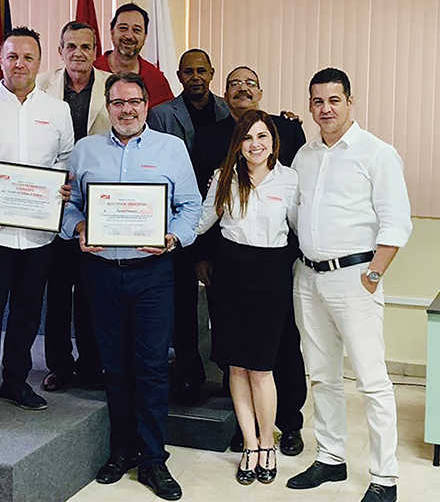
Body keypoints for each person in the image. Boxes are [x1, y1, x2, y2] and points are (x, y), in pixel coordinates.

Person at [62, 72, 201, 501]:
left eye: (135, 102)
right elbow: (68, 204)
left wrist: (173, 236)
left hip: (152, 273)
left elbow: (190, 205)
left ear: (145, 105)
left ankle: (154, 457)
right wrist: (79, 226)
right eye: (118, 102)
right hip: (101, 273)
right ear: (108, 106)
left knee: (152, 365)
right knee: (114, 366)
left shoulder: (171, 149)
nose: (127, 109)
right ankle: (122, 449)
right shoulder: (85, 151)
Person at [286, 68, 412, 502]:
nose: (326, 109)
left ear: (350, 101)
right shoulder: (303, 155)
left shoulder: (377, 153)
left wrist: (373, 275)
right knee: (322, 377)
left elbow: (398, 223)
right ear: (310, 105)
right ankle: (331, 458)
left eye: (334, 100)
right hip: (308, 277)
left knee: (373, 382)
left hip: (356, 278)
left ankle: (384, 478)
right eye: (317, 101)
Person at [0, 27, 74, 425]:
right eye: (12, 56)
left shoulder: (57, 110)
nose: (20, 63)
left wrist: (60, 188)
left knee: (27, 313)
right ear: (1, 60)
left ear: (39, 63)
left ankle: (16, 380)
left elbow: (65, 159)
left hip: (39, 234)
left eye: (28, 57)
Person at [191, 65, 308, 456]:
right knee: (235, 365)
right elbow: (200, 223)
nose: (255, 143)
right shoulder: (224, 175)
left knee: (263, 365)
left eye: (262, 136)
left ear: (273, 141)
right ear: (237, 142)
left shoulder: (289, 180)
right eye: (247, 137)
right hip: (230, 274)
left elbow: (301, 231)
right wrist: (159, 234)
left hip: (271, 276)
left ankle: (268, 441)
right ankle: (249, 444)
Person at [147, 48, 230, 404]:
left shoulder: (229, 111)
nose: (196, 77)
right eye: (188, 72)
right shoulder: (161, 115)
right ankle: (187, 372)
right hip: (177, 219)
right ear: (179, 76)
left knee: (223, 302)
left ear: (211, 72)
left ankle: (229, 372)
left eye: (202, 70)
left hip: (222, 221)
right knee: (182, 302)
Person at [35, 21, 110, 392]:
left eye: (86, 46)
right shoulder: (41, 86)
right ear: (60, 50)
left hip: (99, 202)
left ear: (96, 50)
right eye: (71, 46)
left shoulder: (112, 85)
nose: (78, 53)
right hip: (51, 201)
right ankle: (60, 366)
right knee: (59, 289)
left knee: (91, 290)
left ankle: (92, 364)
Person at [93, 2, 173, 109]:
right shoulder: (92, 71)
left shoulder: (156, 79)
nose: (129, 36)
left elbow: (167, 120)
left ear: (145, 37)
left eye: (136, 30)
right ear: (112, 32)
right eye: (123, 28)